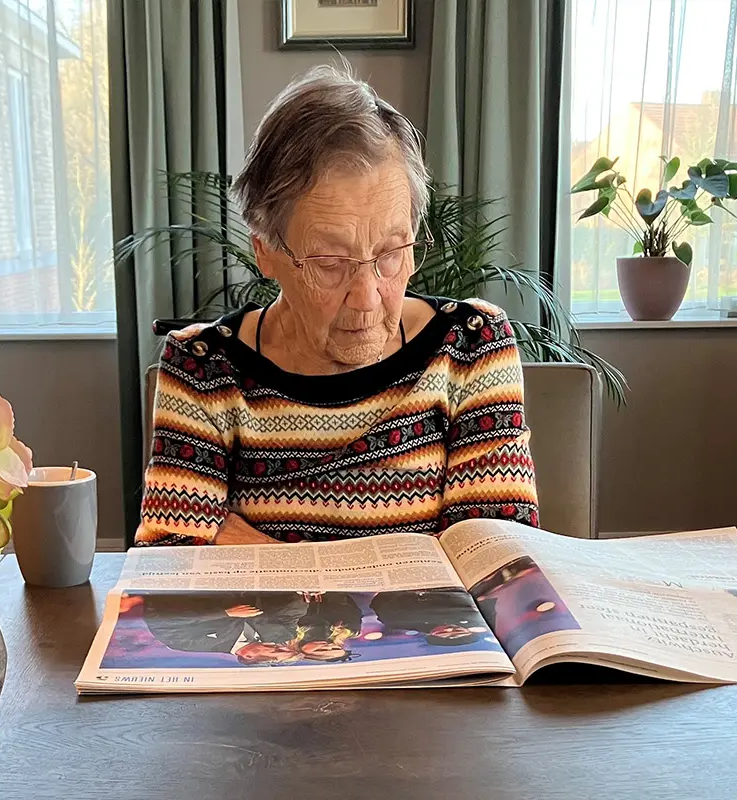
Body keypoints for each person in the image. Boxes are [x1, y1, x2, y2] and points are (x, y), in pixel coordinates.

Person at [135, 63, 538, 547]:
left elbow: (494, 558)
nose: (367, 297)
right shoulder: (203, 367)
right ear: (265, 250)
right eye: (330, 263)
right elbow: (171, 562)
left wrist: (234, 535)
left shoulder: (471, 345)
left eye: (391, 253)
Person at [139, 592, 306, 665]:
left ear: (247, 655)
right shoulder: (281, 634)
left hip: (190, 591)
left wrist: (224, 613)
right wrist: (305, 594)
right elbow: (291, 609)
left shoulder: (190, 645)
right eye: (282, 648)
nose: (276, 645)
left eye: (274, 651)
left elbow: (161, 620)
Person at [368, 588, 485, 647]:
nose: (449, 629)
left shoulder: (399, 621)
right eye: (458, 631)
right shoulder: (464, 613)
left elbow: (380, 601)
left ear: (432, 635)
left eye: (444, 634)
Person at [295, 591, 362, 662]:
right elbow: (345, 601)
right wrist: (345, 622)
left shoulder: (287, 637)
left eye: (320, 650)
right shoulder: (349, 631)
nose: (329, 646)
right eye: (336, 648)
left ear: (301, 650)